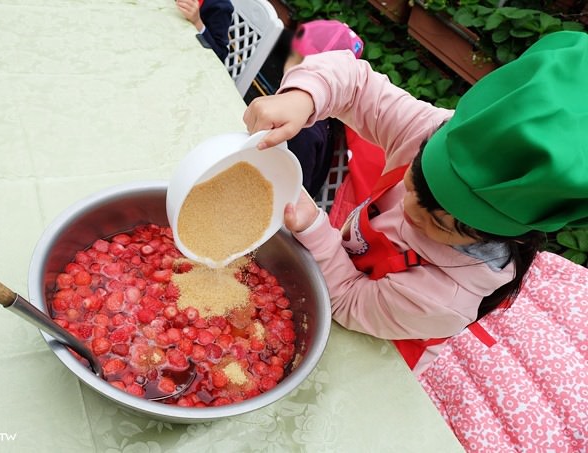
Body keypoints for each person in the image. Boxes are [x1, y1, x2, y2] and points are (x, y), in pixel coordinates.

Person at [243, 31, 588, 375]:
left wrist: (316, 230)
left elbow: (350, 300)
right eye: (413, 182)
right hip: (335, 273)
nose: (408, 211)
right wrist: (303, 96)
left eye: (437, 223)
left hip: (378, 346)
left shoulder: (446, 297)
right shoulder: (433, 131)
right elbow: (355, 85)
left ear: (505, 236)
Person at [282, 19, 367, 197]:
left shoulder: (301, 128)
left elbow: (290, 192)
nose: (289, 60)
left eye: (296, 57)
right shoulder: (327, 117)